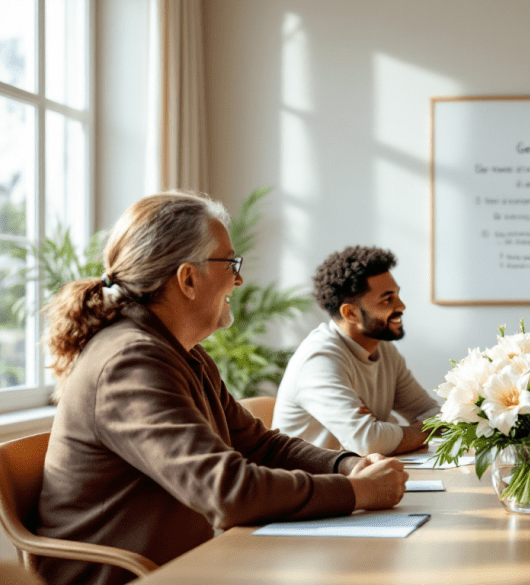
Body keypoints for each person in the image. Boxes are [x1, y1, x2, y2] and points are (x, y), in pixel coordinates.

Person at [36, 193, 408, 585]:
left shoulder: (183, 353)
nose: (240, 279)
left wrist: (346, 464)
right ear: (188, 278)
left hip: (187, 566)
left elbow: (261, 445)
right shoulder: (129, 363)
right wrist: (357, 492)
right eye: (231, 263)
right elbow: (229, 492)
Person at [272, 246, 439, 455]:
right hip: (309, 483)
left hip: (356, 478)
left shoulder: (385, 350)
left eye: (397, 295)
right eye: (388, 299)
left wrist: (391, 432)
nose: (402, 306)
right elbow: (369, 442)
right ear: (350, 313)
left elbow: (434, 414)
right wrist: (417, 431)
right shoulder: (319, 361)